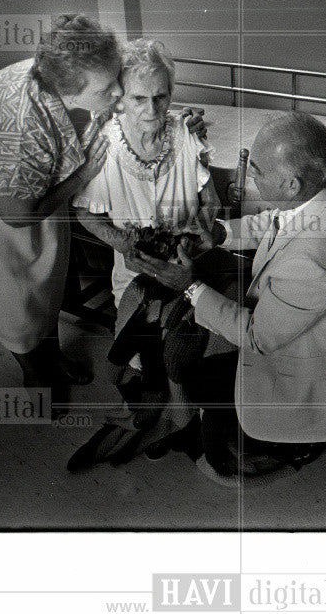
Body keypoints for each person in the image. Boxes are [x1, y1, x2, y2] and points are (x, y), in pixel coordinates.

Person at [0, 14, 204, 406]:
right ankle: (36, 375)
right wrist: (82, 175)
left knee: (46, 276)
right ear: (70, 92)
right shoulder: (19, 124)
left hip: (43, 182)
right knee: (11, 292)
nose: (118, 95)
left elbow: (142, 96)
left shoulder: (76, 83)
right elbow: (17, 216)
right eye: (111, 88)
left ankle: (53, 355)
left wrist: (180, 121)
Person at [128, 111, 326, 476]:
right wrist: (220, 234)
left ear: (292, 184)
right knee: (199, 370)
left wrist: (189, 286)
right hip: (315, 334)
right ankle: (209, 426)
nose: (251, 175)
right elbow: (279, 219)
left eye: (257, 169)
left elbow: (256, 336)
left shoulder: (314, 262)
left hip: (320, 375)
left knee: (205, 386)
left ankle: (287, 444)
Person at [67, 38, 219, 465]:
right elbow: (84, 214)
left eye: (161, 96)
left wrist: (203, 229)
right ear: (120, 98)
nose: (152, 110)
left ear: (171, 93)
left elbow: (212, 201)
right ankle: (143, 408)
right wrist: (125, 242)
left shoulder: (186, 133)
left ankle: (181, 415)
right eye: (138, 98)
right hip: (132, 271)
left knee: (182, 349)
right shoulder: (106, 148)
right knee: (138, 349)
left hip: (186, 268)